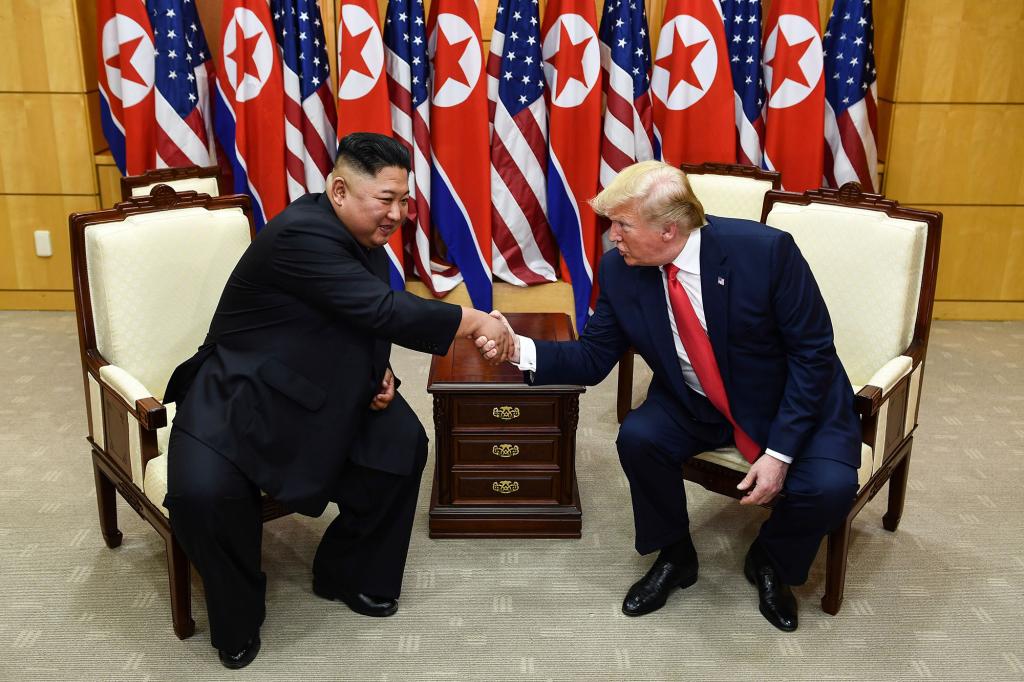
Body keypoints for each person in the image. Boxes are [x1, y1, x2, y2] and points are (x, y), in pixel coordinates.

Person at [162, 133, 512, 669]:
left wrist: (382, 369)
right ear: (340, 189)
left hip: (328, 382)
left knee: (402, 444)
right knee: (203, 496)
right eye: (385, 199)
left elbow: (354, 315)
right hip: (243, 389)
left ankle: (350, 572)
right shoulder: (301, 233)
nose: (397, 214)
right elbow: (379, 309)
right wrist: (475, 320)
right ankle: (237, 615)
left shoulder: (361, 232)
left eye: (403, 199)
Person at [481, 160, 860, 632]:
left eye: (622, 225)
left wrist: (780, 453)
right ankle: (675, 554)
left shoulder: (765, 253)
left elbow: (813, 355)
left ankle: (772, 559)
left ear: (669, 230)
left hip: (790, 400)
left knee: (828, 489)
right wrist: (518, 348)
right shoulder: (620, 269)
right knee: (639, 437)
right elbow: (595, 358)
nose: (612, 237)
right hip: (696, 399)